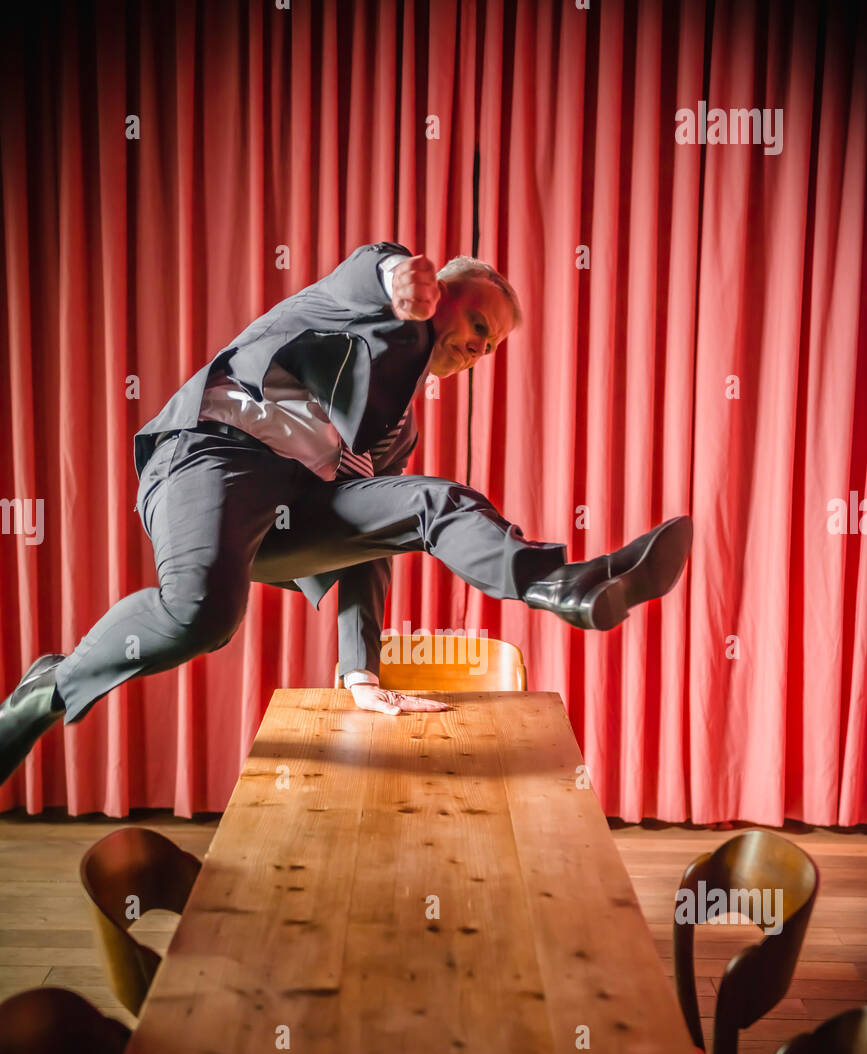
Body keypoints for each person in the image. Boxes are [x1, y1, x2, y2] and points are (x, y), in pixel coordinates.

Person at [0, 243, 692, 786]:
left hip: (288, 517)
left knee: (430, 500)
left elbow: (368, 545)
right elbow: (368, 269)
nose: (480, 349)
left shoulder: (395, 429)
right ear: (439, 295)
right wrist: (397, 278)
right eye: (478, 325)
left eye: (492, 346)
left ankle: (561, 584)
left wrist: (360, 673)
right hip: (212, 458)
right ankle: (49, 687)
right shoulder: (370, 309)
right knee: (203, 618)